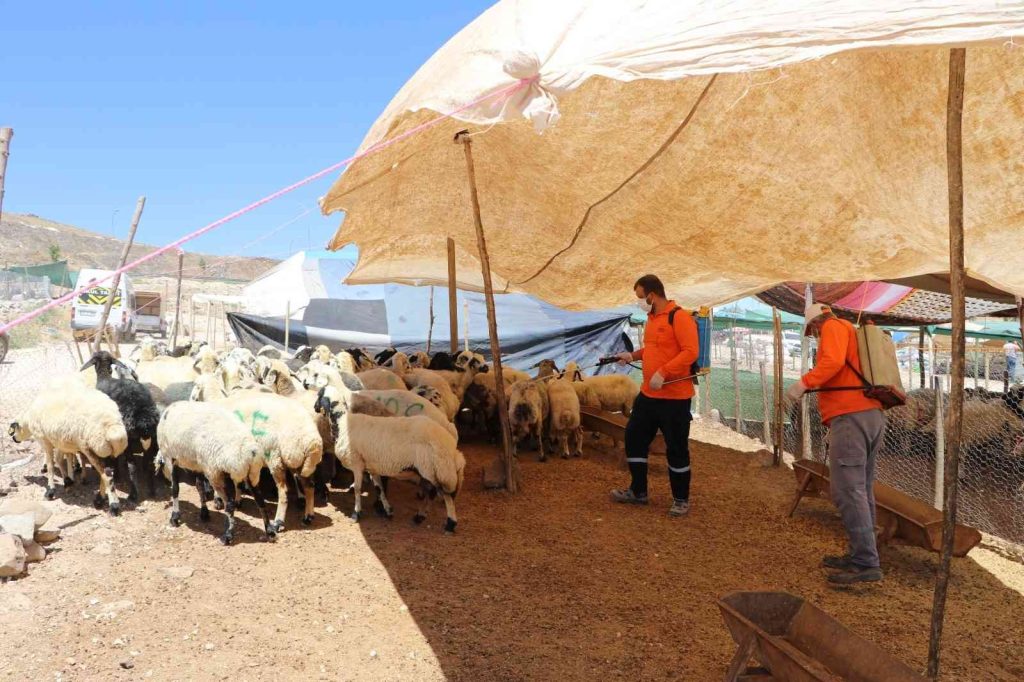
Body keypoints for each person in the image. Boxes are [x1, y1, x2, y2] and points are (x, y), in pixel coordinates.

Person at [786, 303, 885, 584]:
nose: (815, 336)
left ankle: (866, 562)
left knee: (847, 491)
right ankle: (861, 555)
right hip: (868, 414)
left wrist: (804, 383)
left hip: (850, 415)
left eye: (812, 332)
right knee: (861, 490)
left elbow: (832, 362)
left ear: (816, 323)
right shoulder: (848, 330)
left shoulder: (832, 327)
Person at [610, 274, 699, 517]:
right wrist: (632, 355)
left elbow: (690, 352)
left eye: (640, 297)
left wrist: (664, 371)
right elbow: (654, 348)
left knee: (676, 448)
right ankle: (638, 491)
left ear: (651, 294)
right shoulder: (651, 318)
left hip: (675, 399)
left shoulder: (679, 317)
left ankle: (681, 499)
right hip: (649, 394)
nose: (639, 301)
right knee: (634, 437)